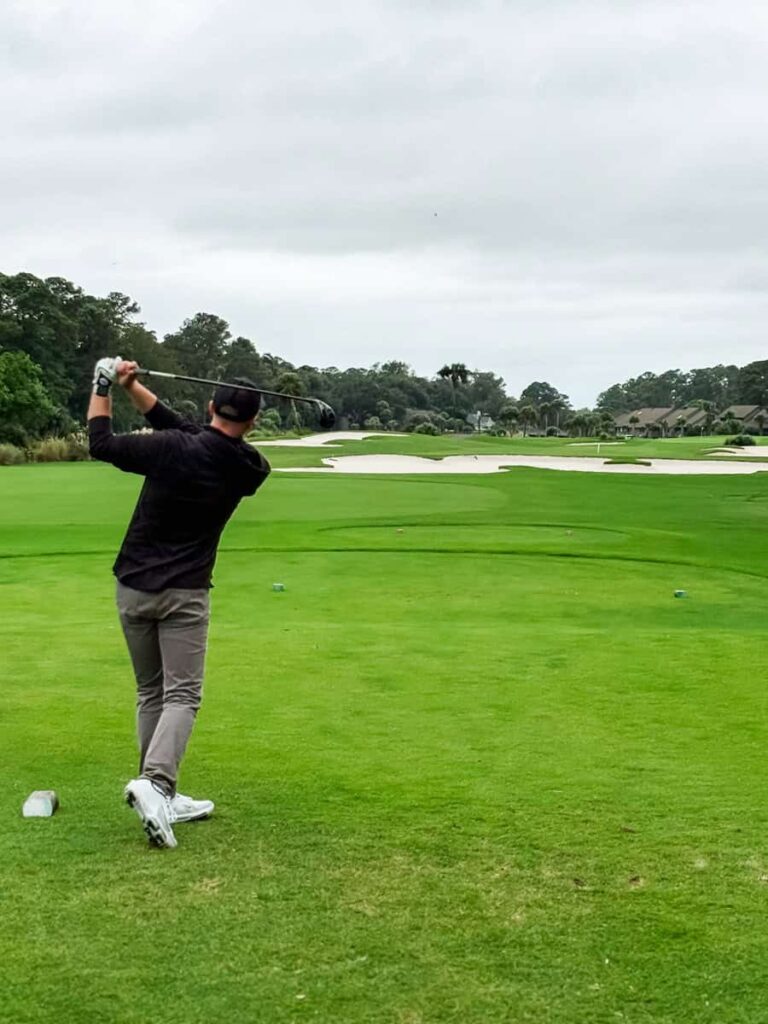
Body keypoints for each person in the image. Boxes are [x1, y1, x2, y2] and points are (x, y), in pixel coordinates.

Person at [87, 356, 271, 848]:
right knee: (182, 695)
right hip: (185, 593)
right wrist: (135, 388)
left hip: (132, 586)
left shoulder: (170, 448)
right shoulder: (252, 467)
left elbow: (100, 443)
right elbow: (200, 437)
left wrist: (104, 384)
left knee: (152, 692)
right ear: (252, 422)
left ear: (211, 404)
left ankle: (159, 790)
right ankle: (157, 785)